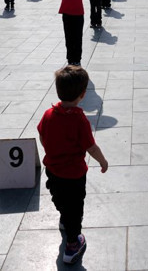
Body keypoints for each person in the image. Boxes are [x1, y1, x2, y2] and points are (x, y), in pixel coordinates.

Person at [37, 66, 108, 265]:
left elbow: (42, 135)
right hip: (74, 175)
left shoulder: (48, 114)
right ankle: (72, 244)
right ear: (83, 94)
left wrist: (50, 149)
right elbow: (91, 148)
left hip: (52, 170)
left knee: (58, 197)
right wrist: (103, 161)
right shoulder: (79, 120)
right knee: (75, 207)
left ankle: (64, 218)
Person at [60, 0, 85, 65]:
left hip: (78, 13)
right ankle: (70, 59)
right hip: (67, 13)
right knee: (68, 37)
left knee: (78, 37)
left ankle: (77, 59)